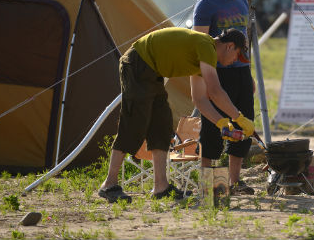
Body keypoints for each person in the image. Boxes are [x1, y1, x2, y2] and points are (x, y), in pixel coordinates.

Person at [97, 27, 255, 203]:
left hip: (152, 72)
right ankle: (109, 185)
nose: (234, 61)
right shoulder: (206, 46)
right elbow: (215, 91)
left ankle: (160, 187)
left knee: (162, 126)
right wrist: (239, 118)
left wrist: (222, 124)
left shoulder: (204, 55)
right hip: (138, 63)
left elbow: (200, 99)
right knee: (134, 122)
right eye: (237, 55)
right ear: (230, 46)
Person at [192, 0, 256, 195]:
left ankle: (234, 182)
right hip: (217, 73)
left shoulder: (241, 0)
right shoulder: (207, 4)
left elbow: (243, 40)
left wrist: (247, 72)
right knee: (213, 129)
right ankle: (209, 185)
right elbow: (198, 43)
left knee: (244, 126)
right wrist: (207, 78)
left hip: (240, 71)